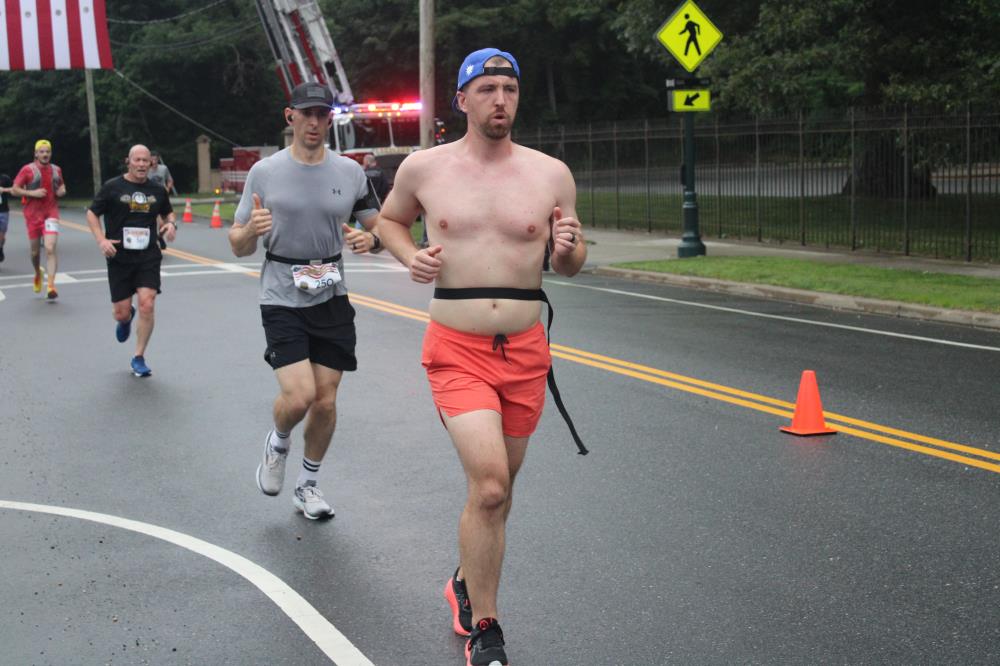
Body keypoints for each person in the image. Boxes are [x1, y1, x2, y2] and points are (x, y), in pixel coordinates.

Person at [375, 48, 587, 666]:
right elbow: (389, 221)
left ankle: (465, 580)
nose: (501, 100)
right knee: (490, 486)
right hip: (456, 349)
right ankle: (486, 630)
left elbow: (570, 263)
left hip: (525, 351)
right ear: (462, 100)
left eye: (510, 89)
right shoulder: (424, 167)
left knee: (500, 489)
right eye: (488, 89)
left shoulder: (551, 174)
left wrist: (568, 247)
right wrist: (408, 255)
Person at [228, 81, 384, 521]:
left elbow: (380, 227)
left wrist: (371, 240)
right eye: (307, 113)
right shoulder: (265, 172)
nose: (314, 122)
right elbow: (237, 244)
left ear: (329, 118)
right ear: (290, 116)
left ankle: (307, 485)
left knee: (326, 401)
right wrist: (251, 230)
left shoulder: (350, 172)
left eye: (322, 114)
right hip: (281, 293)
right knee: (299, 397)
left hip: (331, 292)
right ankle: (278, 443)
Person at [86, 144, 177, 377]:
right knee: (121, 313)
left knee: (148, 303)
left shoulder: (157, 190)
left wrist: (170, 224)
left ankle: (138, 357)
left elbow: (168, 212)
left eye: (145, 160)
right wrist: (101, 240)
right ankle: (126, 319)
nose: (142, 164)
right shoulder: (112, 187)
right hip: (119, 256)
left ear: (151, 163)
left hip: (148, 255)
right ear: (128, 161)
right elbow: (92, 213)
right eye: (137, 160)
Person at [10, 140, 66, 298]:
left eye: (47, 151)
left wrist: (62, 191)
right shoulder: (28, 170)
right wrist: (31, 193)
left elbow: (61, 186)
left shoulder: (56, 170)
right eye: (42, 152)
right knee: (35, 252)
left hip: (51, 213)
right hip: (33, 215)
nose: (45, 154)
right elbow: (14, 190)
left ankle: (51, 286)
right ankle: (37, 272)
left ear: (51, 153)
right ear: (36, 154)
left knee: (50, 248)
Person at [0, 172, 12, 263]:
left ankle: (0, 248)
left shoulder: (4, 178)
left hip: (3, 211)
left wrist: (4, 189)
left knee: (1, 237)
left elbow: (15, 190)